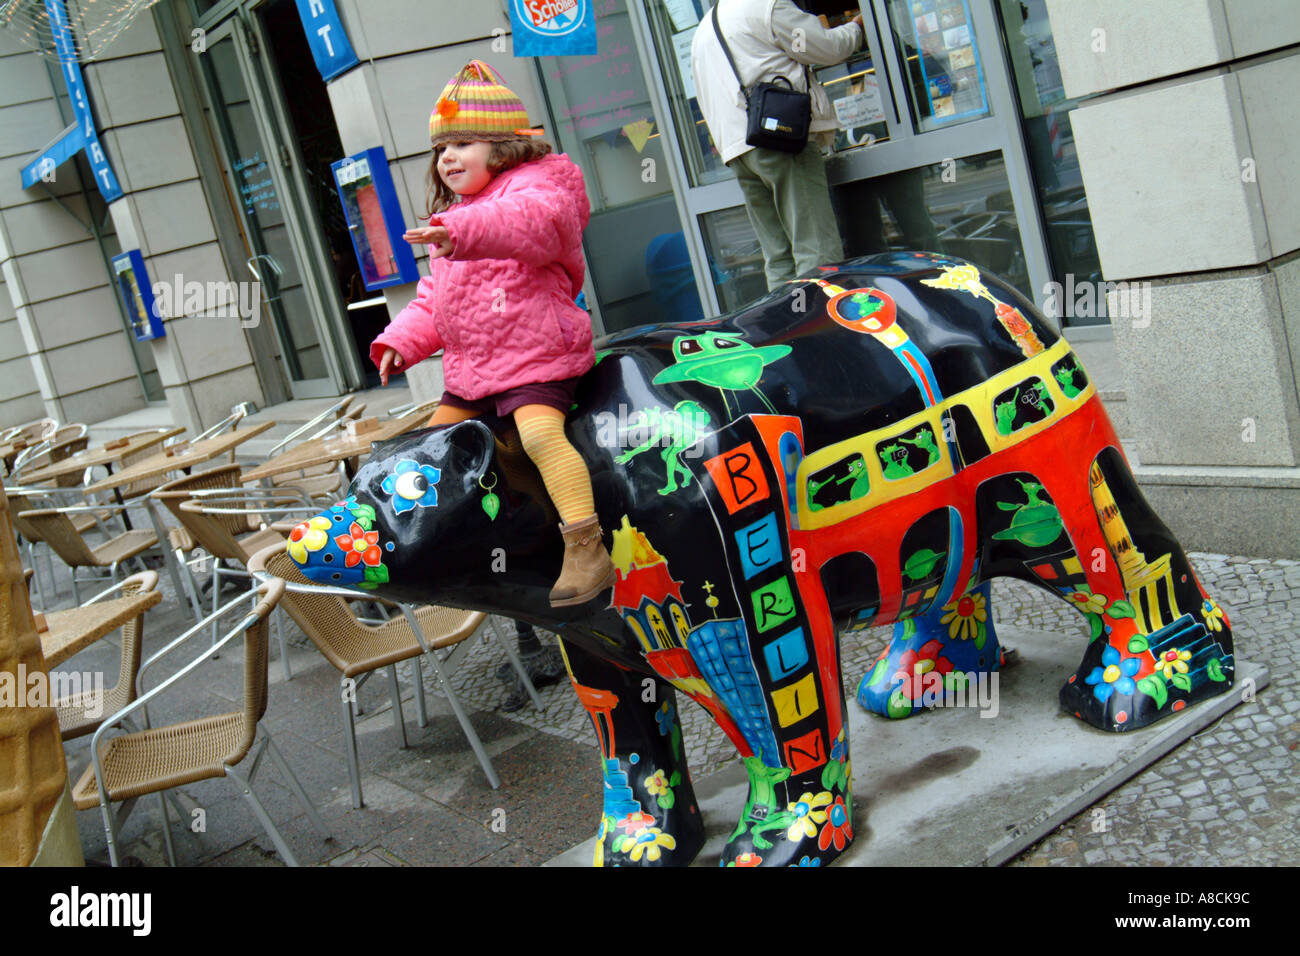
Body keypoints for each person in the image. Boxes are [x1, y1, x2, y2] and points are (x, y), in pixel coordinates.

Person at [371, 60, 615, 608]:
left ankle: (586, 547)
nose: (448, 158)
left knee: (539, 437)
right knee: (423, 454)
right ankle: (407, 545)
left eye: (462, 143)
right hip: (475, 372)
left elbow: (524, 223)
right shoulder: (457, 216)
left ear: (502, 148)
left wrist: (457, 232)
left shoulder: (543, 189)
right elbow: (437, 299)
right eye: (441, 149)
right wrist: (399, 341)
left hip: (536, 358)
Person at [692, 1, 865, 290]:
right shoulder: (767, 6)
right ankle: (821, 328)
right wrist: (858, 27)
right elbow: (828, 48)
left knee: (778, 258)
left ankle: (785, 327)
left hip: (739, 149)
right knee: (816, 250)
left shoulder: (704, 29)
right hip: (781, 140)